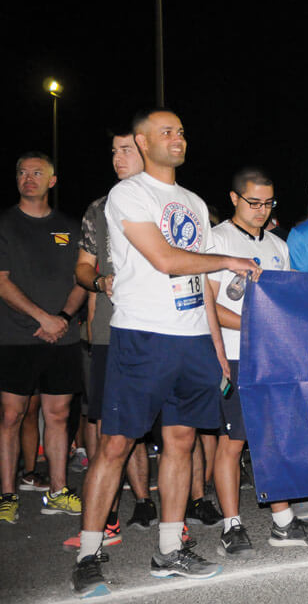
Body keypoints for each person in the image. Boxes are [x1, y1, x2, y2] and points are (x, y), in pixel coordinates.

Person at [70, 109, 260, 597]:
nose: (178, 138)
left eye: (180, 130)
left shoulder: (193, 201)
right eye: (166, 132)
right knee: (115, 444)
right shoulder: (128, 194)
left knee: (181, 443)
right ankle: (89, 554)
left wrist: (216, 348)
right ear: (142, 140)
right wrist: (229, 258)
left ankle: (169, 550)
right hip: (143, 336)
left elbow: (198, 284)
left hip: (194, 338)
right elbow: (166, 259)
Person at [208, 167, 308, 557]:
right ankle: (232, 524)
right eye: (253, 202)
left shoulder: (278, 246)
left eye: (268, 203)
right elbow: (208, 305)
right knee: (233, 442)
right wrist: (256, 324)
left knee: (275, 440)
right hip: (234, 354)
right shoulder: (216, 240)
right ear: (234, 199)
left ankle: (283, 522)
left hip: (273, 358)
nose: (261, 210)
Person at [63, 131, 156, 550]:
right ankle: (107, 518)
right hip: (109, 334)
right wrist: (99, 280)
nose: (117, 158)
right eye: (113, 150)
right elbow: (83, 268)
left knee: (172, 429)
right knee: (107, 426)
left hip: (163, 329)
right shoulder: (98, 209)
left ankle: (153, 508)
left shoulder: (168, 204)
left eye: (126, 150)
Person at [0, 152, 88, 525]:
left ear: (52, 180)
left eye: (37, 173)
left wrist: (63, 319)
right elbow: (1, 281)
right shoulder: (5, 223)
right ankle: (7, 495)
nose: (28, 178)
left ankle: (57, 489)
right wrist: (43, 318)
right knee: (11, 416)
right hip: (16, 338)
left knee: (58, 415)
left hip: (62, 339)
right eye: (22, 172)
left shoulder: (70, 225)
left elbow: (82, 280)